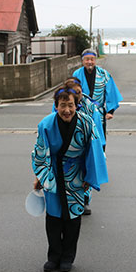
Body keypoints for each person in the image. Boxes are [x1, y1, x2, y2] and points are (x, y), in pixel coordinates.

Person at [32, 86, 108, 272]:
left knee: (73, 218)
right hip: (53, 174)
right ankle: (53, 256)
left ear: (77, 105)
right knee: (53, 218)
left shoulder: (87, 123)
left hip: (76, 175)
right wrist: (39, 176)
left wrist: (90, 177)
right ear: (56, 106)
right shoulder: (46, 124)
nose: (67, 110)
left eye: (71, 105)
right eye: (63, 105)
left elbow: (95, 151)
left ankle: (67, 257)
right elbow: (41, 152)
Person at [50, 77, 106, 216]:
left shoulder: (90, 106)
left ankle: (84, 201)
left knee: (85, 175)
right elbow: (52, 124)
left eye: (79, 92)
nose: (77, 95)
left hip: (83, 149)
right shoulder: (60, 104)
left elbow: (96, 131)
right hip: (63, 150)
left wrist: (99, 148)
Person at [72, 48, 122, 147]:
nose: (89, 62)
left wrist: (110, 111)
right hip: (81, 113)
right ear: (82, 61)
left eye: (92, 59)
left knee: (99, 140)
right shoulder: (76, 74)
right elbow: (72, 94)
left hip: (98, 113)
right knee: (82, 140)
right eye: (87, 59)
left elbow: (111, 92)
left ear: (95, 60)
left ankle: (100, 158)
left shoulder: (104, 74)